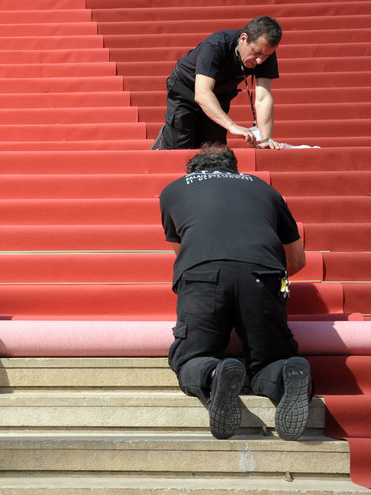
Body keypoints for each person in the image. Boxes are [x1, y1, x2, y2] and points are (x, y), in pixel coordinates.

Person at [159, 146, 311, 440]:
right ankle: (284, 374)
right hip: (263, 273)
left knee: (191, 357)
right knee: (271, 358)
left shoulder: (172, 191)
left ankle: (213, 375)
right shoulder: (265, 190)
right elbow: (297, 260)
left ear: (193, 171)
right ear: (235, 169)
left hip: (203, 273)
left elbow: (183, 254)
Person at [152, 17, 285, 150]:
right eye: (256, 52)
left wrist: (266, 139)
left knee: (214, 147)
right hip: (186, 88)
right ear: (243, 38)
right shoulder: (216, 45)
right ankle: (166, 136)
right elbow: (202, 93)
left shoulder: (265, 53)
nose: (260, 61)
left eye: (266, 55)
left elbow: (264, 98)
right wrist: (232, 126)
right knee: (179, 146)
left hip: (220, 92)